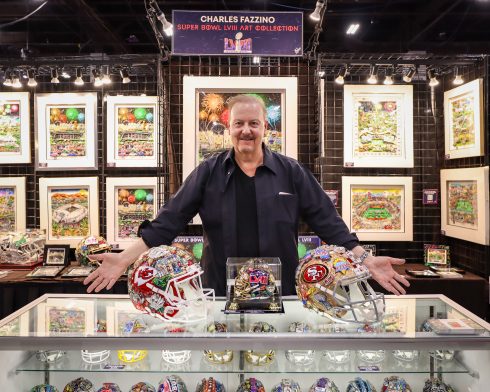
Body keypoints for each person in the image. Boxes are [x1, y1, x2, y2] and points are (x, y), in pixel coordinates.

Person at [84, 94, 409, 296]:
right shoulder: (208, 172)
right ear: (229, 128)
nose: (246, 130)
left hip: (283, 297)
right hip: (219, 295)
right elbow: (167, 223)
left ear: (265, 127)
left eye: (254, 123)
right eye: (239, 123)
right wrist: (124, 259)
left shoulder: (291, 171)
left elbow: (329, 224)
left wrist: (365, 259)